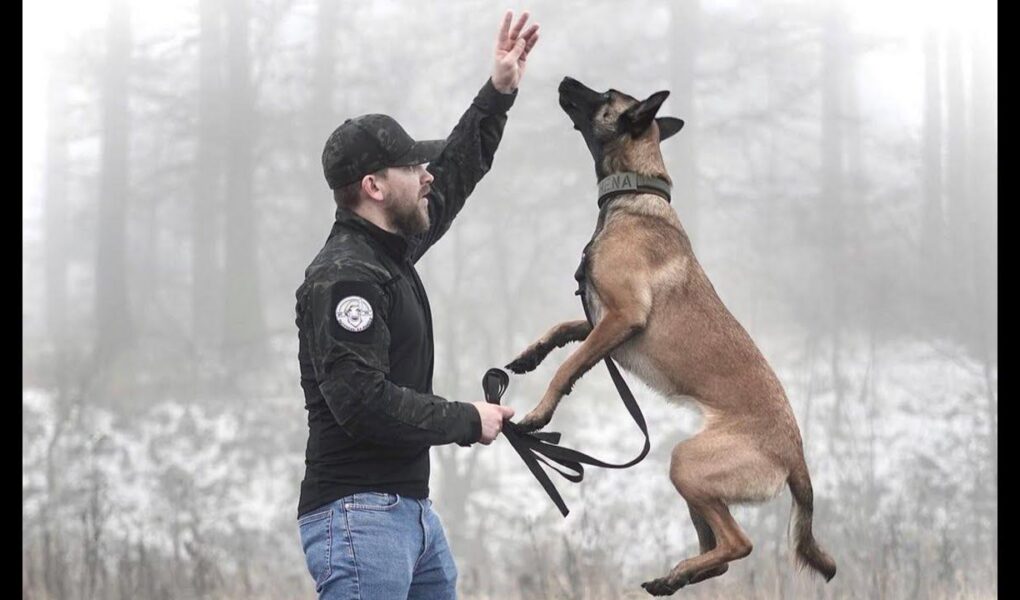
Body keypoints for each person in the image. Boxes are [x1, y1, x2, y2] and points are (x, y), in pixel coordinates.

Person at [294, 10, 539, 600]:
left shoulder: (389, 253)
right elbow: (361, 402)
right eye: (412, 166)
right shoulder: (344, 277)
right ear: (374, 186)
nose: (427, 176)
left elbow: (456, 171)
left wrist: (498, 92)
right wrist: (464, 419)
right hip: (359, 517)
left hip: (409, 515)